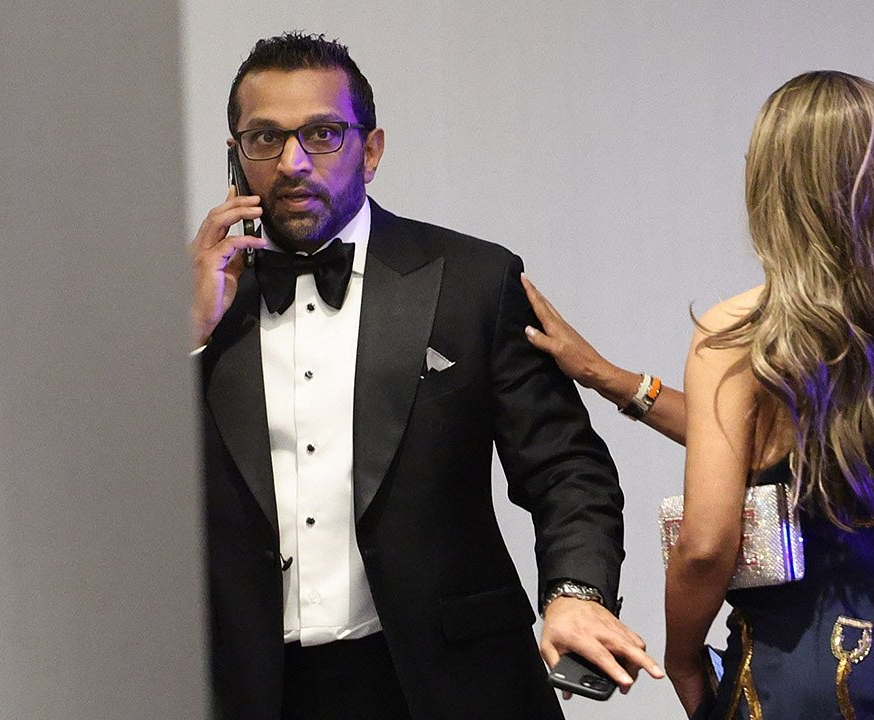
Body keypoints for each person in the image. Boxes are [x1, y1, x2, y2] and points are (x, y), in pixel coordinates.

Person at [190, 32, 662, 720]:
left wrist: (576, 594)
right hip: (251, 691)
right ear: (235, 156)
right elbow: (117, 503)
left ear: (370, 151)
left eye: (322, 134)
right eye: (265, 138)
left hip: (452, 684)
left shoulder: (471, 281)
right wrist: (182, 338)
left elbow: (566, 469)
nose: (292, 162)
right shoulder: (189, 311)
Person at [526, 70, 874, 719]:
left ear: (778, 185)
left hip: (810, 676)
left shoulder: (743, 332)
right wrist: (611, 378)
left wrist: (683, 657)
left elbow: (706, 544)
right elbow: (799, 446)